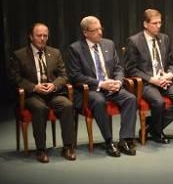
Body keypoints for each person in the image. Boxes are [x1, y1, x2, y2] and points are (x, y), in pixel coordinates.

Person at [66, 16, 138, 157]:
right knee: (99, 101)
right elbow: (76, 76)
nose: (100, 32)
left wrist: (118, 81)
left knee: (130, 98)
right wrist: (101, 84)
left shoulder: (108, 44)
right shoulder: (75, 49)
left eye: (100, 28)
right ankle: (109, 141)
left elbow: (118, 68)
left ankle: (125, 140)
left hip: (111, 87)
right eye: (95, 30)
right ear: (85, 32)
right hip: (90, 90)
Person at [7, 23, 77, 162]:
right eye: (39, 35)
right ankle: (41, 149)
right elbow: (15, 79)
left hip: (53, 93)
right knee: (40, 108)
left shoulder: (55, 52)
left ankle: (68, 147)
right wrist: (34, 87)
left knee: (67, 105)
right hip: (32, 95)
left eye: (45, 35)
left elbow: (64, 76)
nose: (43, 38)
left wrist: (54, 85)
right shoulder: (19, 55)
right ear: (31, 37)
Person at [124, 9, 173, 144]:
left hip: (165, 79)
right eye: (154, 23)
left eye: (160, 23)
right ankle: (157, 132)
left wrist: (169, 74)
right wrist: (151, 79)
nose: (158, 26)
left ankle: (153, 125)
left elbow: (171, 63)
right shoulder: (134, 41)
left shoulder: (164, 38)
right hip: (147, 82)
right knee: (158, 102)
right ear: (145, 24)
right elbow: (130, 69)